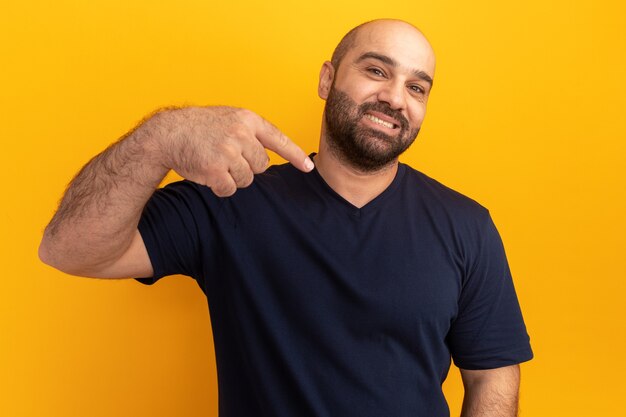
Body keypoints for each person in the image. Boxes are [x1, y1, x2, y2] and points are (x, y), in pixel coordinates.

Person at [39, 19, 532, 417]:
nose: (396, 98)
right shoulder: (229, 198)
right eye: (377, 71)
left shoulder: (467, 226)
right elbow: (67, 248)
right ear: (327, 78)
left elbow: (493, 372)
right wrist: (162, 136)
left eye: (417, 87)